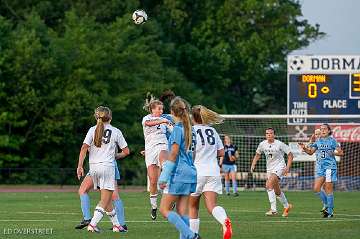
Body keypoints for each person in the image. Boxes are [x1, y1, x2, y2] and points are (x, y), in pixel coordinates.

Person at [77, 106, 130, 232]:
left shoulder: (92, 130)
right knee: (106, 199)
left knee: (108, 200)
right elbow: (126, 151)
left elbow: (84, 148)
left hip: (93, 167)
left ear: (96, 117)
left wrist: (79, 166)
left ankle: (117, 225)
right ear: (110, 118)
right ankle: (92, 224)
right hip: (107, 167)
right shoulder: (116, 131)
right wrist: (115, 155)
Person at [158, 96, 200, 239]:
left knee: (164, 210)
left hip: (179, 174)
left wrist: (163, 176)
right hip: (191, 173)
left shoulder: (177, 129)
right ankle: (189, 236)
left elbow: (174, 154)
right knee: (182, 213)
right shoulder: (191, 129)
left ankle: (192, 235)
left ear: (172, 112)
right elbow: (192, 154)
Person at [189, 105, 232, 239]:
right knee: (211, 206)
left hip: (196, 172)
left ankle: (193, 235)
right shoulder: (212, 131)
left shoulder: (190, 131)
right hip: (213, 172)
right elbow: (221, 152)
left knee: (192, 206)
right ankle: (224, 220)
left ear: (192, 117)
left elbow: (187, 152)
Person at [298, 124, 344, 218]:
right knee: (316, 188)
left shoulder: (332, 141)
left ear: (328, 131)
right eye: (321, 129)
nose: (322, 131)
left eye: (324, 129)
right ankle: (327, 205)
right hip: (320, 168)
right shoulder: (318, 141)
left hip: (330, 167)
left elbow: (341, 152)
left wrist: (334, 153)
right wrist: (304, 148)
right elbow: (310, 152)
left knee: (328, 188)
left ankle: (330, 212)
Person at [75, 152, 127, 232]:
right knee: (83, 190)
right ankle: (88, 219)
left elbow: (126, 151)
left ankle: (120, 224)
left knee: (112, 196)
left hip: (107, 165)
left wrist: (113, 155)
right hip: (97, 166)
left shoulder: (110, 139)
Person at [250, 128, 293, 217]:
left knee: (268, 184)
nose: (269, 135)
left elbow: (290, 154)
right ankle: (287, 206)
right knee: (277, 191)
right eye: (267, 133)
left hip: (280, 167)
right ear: (265, 135)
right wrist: (253, 164)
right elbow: (258, 154)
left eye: (271, 133)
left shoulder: (279, 144)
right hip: (270, 169)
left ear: (274, 135)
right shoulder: (262, 144)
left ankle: (273, 210)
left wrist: (287, 167)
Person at [142, 96, 172, 220]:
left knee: (165, 165)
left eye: (162, 109)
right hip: (150, 150)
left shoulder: (165, 120)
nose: (161, 111)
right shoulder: (146, 118)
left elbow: (173, 132)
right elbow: (149, 124)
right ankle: (154, 207)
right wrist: (162, 121)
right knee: (153, 181)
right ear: (152, 110)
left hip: (162, 146)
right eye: (158, 109)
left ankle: (171, 198)